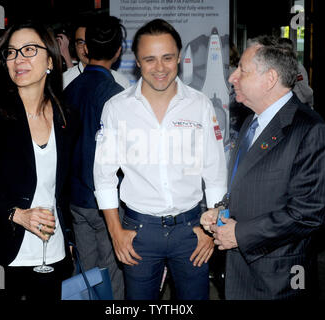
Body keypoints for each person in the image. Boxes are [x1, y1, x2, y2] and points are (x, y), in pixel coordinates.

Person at [93, 19, 227, 300]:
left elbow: (215, 173)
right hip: (139, 232)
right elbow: (104, 176)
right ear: (137, 62)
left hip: (192, 231)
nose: (160, 67)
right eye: (150, 59)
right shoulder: (116, 109)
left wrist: (212, 230)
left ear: (179, 56)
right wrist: (116, 232)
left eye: (167, 57)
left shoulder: (200, 105)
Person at [201, 35, 325, 299]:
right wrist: (220, 210)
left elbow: (308, 213)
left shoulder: (309, 130)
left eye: (242, 70)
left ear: (270, 78)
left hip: (279, 279)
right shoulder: (252, 120)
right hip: (241, 271)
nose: (232, 77)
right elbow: (247, 182)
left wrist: (239, 233)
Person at [0, 20, 74, 300]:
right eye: (11, 52)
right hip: (2, 252)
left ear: (50, 59)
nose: (18, 59)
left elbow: (65, 185)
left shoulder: (65, 115)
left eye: (29, 50)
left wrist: (68, 236)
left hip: (52, 252)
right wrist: (16, 214)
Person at [63, 15, 126, 300]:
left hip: (76, 199)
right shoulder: (117, 96)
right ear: (118, 51)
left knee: (88, 274)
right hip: (108, 200)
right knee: (113, 272)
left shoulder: (68, 91)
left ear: (86, 48)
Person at [57, 17, 130, 90]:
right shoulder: (64, 80)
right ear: (75, 45)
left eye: (90, 42)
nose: (86, 47)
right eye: (80, 42)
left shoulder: (121, 82)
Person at [278, 37, 313, 108]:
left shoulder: (297, 67)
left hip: (298, 105)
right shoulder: (277, 66)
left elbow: (306, 91)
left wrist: (310, 105)